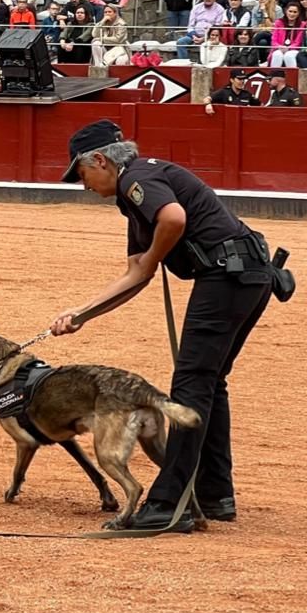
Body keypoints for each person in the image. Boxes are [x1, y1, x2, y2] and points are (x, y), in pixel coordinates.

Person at [53, 120, 280, 532]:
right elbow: (136, 274)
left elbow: (172, 220)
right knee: (210, 383)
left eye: (81, 174)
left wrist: (158, 254)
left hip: (227, 277)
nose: (82, 184)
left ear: (100, 160)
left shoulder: (136, 179)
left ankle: (167, 503)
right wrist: (81, 314)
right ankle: (214, 494)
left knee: (192, 383)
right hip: (247, 274)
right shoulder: (137, 190)